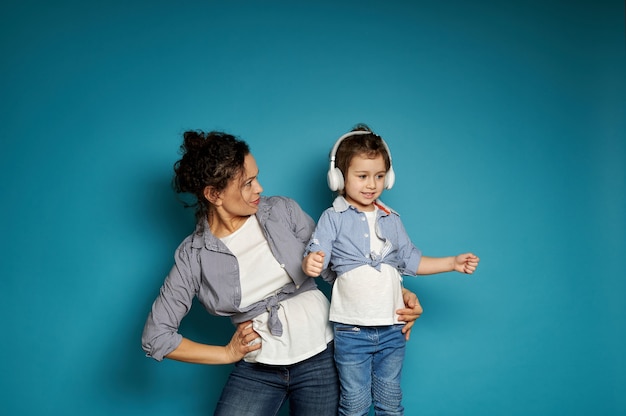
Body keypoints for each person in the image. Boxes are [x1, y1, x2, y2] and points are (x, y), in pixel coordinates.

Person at [141, 130, 424, 416]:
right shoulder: (193, 255)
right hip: (257, 367)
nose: (259, 188)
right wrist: (226, 354)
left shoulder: (283, 212)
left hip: (322, 355)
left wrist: (393, 296)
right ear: (214, 194)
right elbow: (156, 337)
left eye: (256, 177)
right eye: (248, 183)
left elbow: (340, 267)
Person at [302, 124, 480, 416]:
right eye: (362, 176)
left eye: (380, 176)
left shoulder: (392, 219)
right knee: (355, 404)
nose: (372, 184)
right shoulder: (333, 218)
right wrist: (311, 262)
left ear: (389, 176)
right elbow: (317, 254)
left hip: (392, 329)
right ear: (338, 177)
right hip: (352, 331)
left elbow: (410, 260)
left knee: (390, 403)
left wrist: (452, 263)